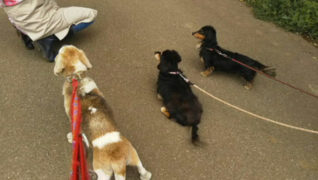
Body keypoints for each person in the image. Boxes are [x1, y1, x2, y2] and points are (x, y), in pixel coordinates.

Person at [0, 0, 97, 62]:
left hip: (20, 22)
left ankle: (28, 35)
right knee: (91, 15)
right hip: (44, 20)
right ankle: (49, 37)